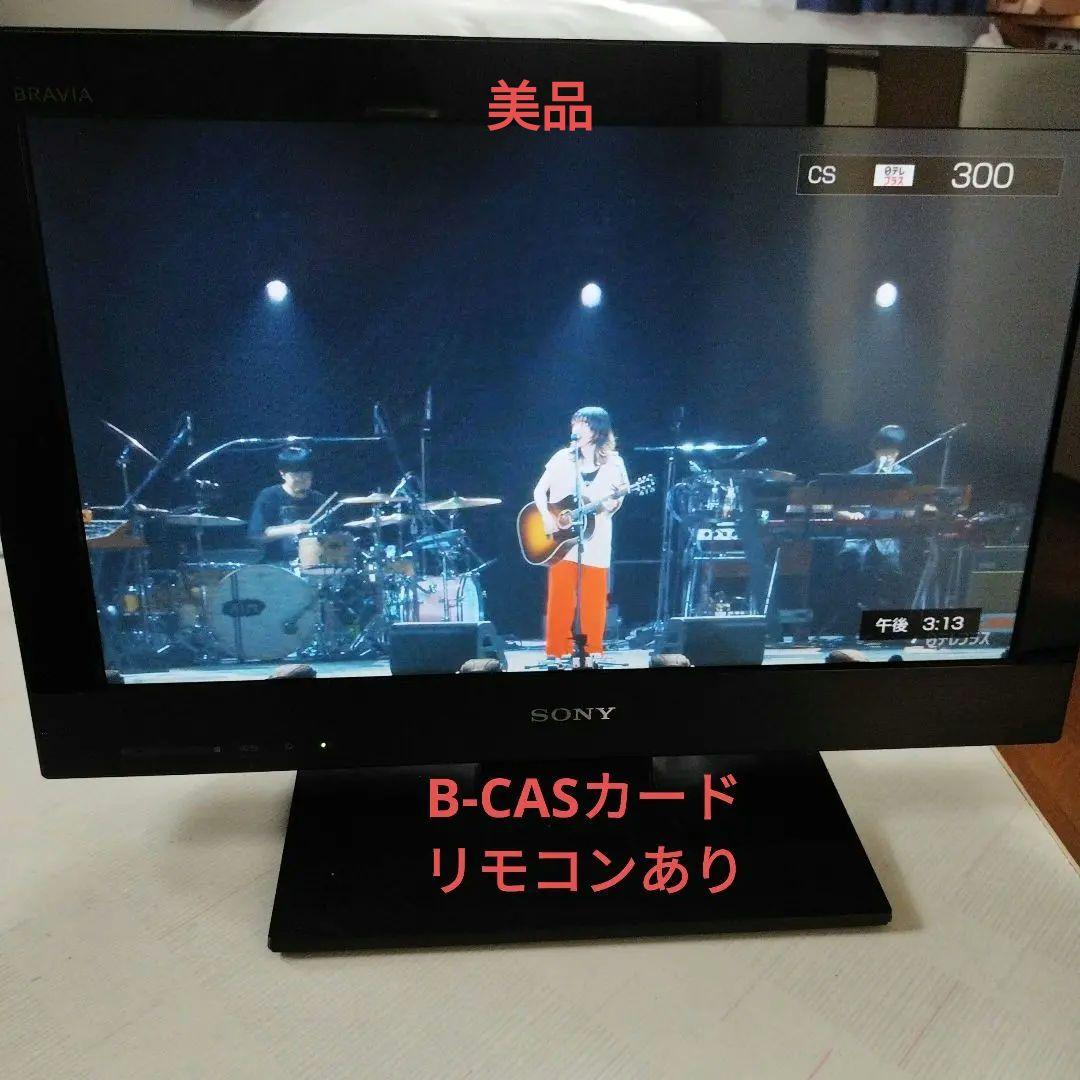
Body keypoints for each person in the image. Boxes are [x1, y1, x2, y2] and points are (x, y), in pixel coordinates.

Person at [532, 406, 629, 661]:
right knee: (560, 597)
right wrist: (546, 517)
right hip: (562, 540)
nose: (575, 428)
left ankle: (592, 650)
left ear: (597, 430)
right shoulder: (561, 458)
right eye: (574, 422)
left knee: (594, 598)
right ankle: (557, 650)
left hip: (596, 538)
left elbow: (618, 498)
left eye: (582, 423)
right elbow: (539, 491)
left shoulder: (614, 462)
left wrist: (612, 503)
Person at [831, 424, 912, 635]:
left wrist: (908, 514)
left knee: (892, 566)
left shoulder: (905, 476)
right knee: (851, 559)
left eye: (893, 452)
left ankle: (887, 626)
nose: (889, 456)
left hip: (888, 536)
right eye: (884, 451)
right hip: (859, 536)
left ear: (898, 453)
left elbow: (912, 508)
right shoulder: (858, 475)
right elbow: (838, 510)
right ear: (875, 451)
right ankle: (849, 625)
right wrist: (851, 516)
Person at [247, 447, 326, 564]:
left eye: (306, 473)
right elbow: (256, 534)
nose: (301, 478)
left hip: (314, 562)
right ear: (282, 473)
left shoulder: (319, 499)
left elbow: (331, 533)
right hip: (277, 564)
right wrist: (293, 529)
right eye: (296, 473)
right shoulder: (270, 496)